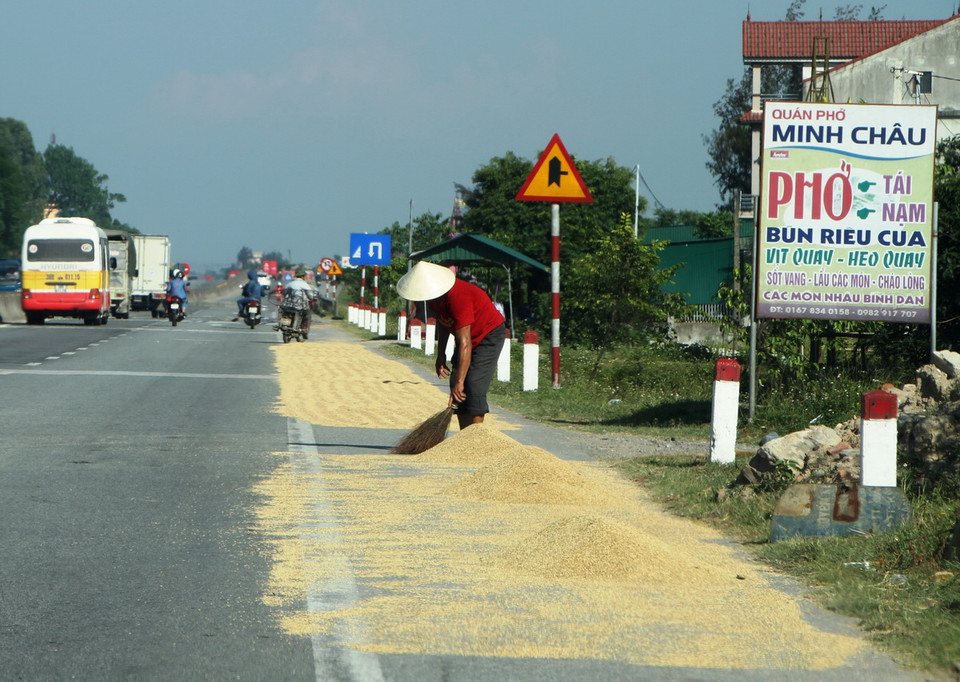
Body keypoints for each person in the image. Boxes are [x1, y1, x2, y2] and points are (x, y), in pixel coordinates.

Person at [396, 260, 506, 431]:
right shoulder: (434, 298)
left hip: (488, 334)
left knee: (473, 383)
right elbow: (444, 323)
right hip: (466, 338)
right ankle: (464, 436)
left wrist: (461, 382)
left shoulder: (458, 296)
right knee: (455, 380)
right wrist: (441, 356)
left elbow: (465, 343)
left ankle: (477, 437)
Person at [279, 268, 317, 337]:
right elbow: (310, 296)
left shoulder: (289, 284)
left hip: (287, 305)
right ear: (302, 276)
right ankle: (304, 328)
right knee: (307, 314)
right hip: (299, 305)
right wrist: (313, 298)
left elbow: (284, 293)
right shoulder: (304, 285)